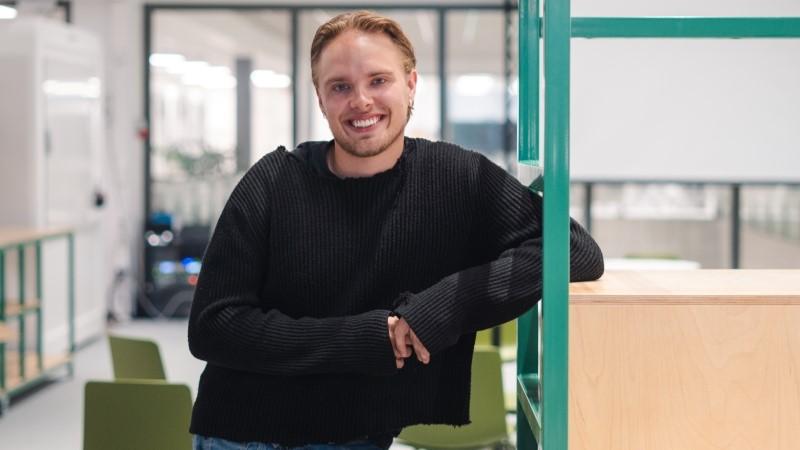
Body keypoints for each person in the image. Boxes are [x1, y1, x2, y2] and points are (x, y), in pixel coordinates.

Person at [188, 10, 604, 450]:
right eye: (340, 87)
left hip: (360, 436)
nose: (361, 101)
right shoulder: (273, 181)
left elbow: (576, 250)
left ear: (410, 84)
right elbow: (213, 326)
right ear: (320, 97)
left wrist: (439, 308)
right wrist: (372, 338)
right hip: (247, 434)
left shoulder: (454, 177)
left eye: (378, 81)